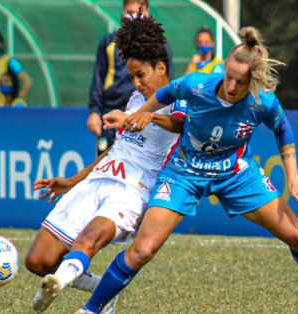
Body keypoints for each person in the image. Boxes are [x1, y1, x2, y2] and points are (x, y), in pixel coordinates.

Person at [77, 27, 298, 314]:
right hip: (184, 171)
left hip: (235, 174)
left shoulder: (262, 101)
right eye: (228, 76)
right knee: (142, 250)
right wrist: (137, 115)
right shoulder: (196, 85)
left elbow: (283, 129)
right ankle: (91, 310)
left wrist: (294, 180)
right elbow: (165, 93)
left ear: (252, 81)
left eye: (240, 82)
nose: (230, 86)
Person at [24, 12, 185, 314]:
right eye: (132, 76)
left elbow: (182, 126)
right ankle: (103, 288)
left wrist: (149, 116)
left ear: (161, 68)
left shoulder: (182, 102)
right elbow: (114, 150)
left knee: (88, 239)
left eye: (141, 75)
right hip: (99, 180)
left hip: (131, 192)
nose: (136, 84)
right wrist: (73, 180)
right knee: (37, 260)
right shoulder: (137, 101)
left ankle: (62, 287)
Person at [87, 0, 174, 156]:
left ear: (146, 11)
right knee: (108, 159)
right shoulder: (109, 42)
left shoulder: (159, 46)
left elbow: (167, 87)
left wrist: (152, 115)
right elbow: (98, 79)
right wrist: (94, 111)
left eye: (137, 11)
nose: (136, 83)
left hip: (146, 115)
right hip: (112, 112)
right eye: (129, 12)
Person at [0, 29, 32, 105]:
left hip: (3, 106)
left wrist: (17, 100)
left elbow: (27, 82)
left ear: (2, 44)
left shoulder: (10, 61)